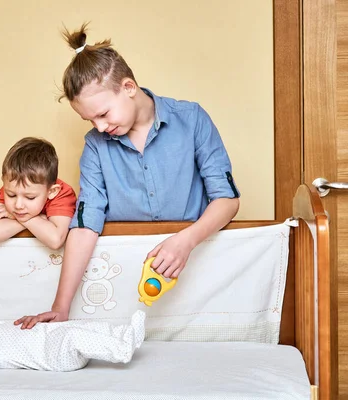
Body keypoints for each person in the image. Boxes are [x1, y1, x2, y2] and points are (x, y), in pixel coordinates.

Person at [15, 23, 240, 329]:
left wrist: (185, 242)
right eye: (89, 119)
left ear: (129, 88)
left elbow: (226, 200)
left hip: (195, 267)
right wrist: (61, 306)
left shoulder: (192, 119)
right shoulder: (95, 146)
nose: (99, 127)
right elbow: (85, 224)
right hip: (125, 279)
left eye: (103, 114)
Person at [0, 310, 146, 373]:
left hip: (50, 336)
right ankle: (121, 350)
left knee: (81, 327)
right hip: (54, 356)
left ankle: (124, 334)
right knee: (75, 336)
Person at [0, 137, 77, 250]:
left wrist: (18, 218)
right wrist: (40, 219)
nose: (18, 205)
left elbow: (55, 240)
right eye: (11, 195)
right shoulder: (12, 187)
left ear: (51, 191)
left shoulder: (62, 194)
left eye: (30, 197)